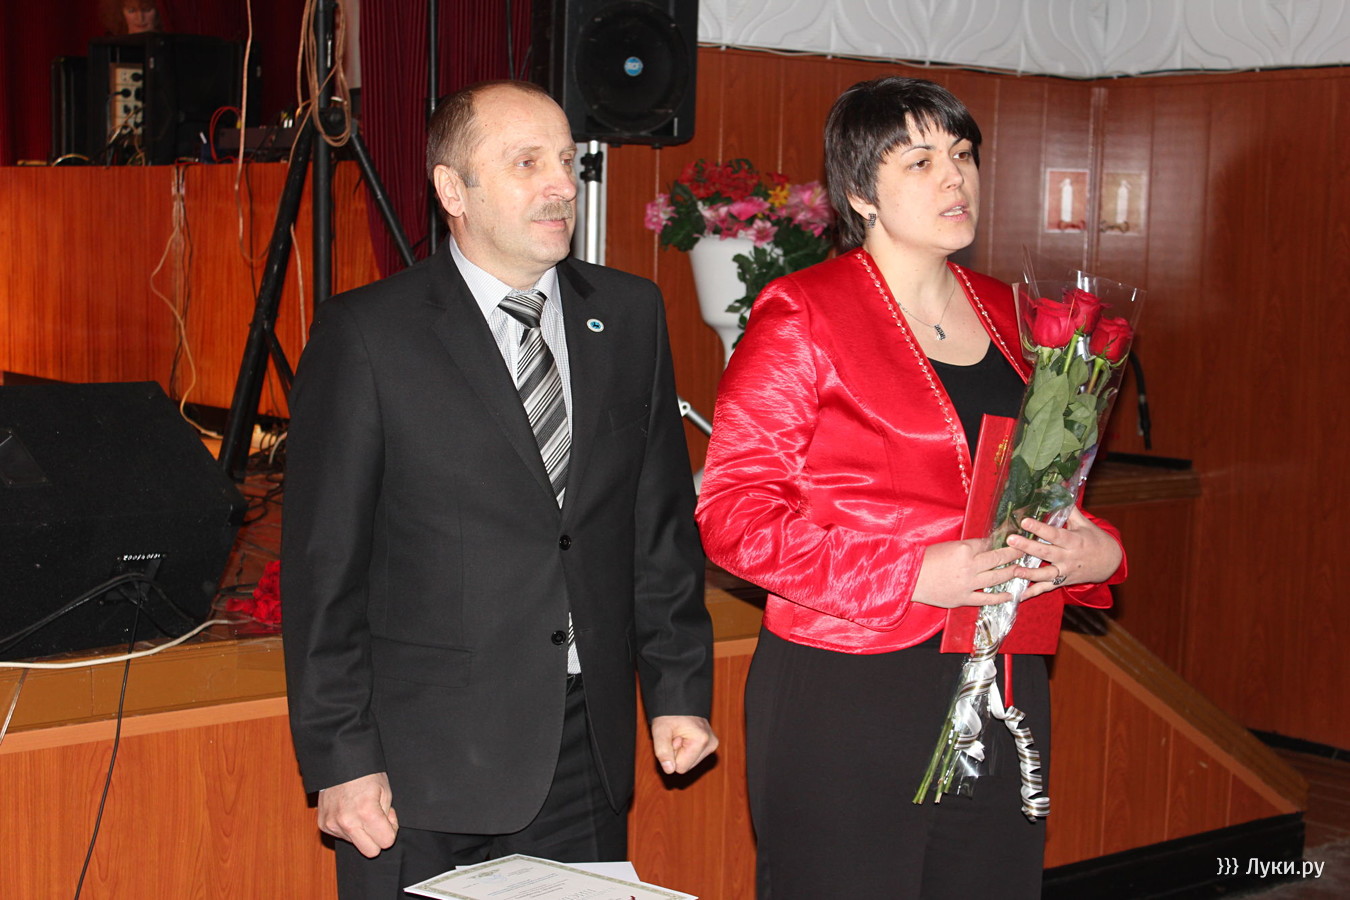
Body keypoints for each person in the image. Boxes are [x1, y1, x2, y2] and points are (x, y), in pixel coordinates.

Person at [282, 79, 717, 898]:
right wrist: (342, 758)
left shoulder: (628, 315)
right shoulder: (369, 334)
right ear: (453, 189)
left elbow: (656, 528)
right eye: (527, 163)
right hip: (419, 769)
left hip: (583, 750)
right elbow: (323, 570)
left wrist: (678, 692)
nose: (561, 185)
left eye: (566, 161)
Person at [694, 76, 1126, 899]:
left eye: (962, 155)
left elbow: (1042, 485)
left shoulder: (1016, 315)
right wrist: (911, 572)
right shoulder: (804, 313)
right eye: (920, 161)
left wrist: (1093, 552)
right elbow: (733, 517)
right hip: (852, 687)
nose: (954, 177)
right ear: (860, 193)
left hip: (1003, 675)